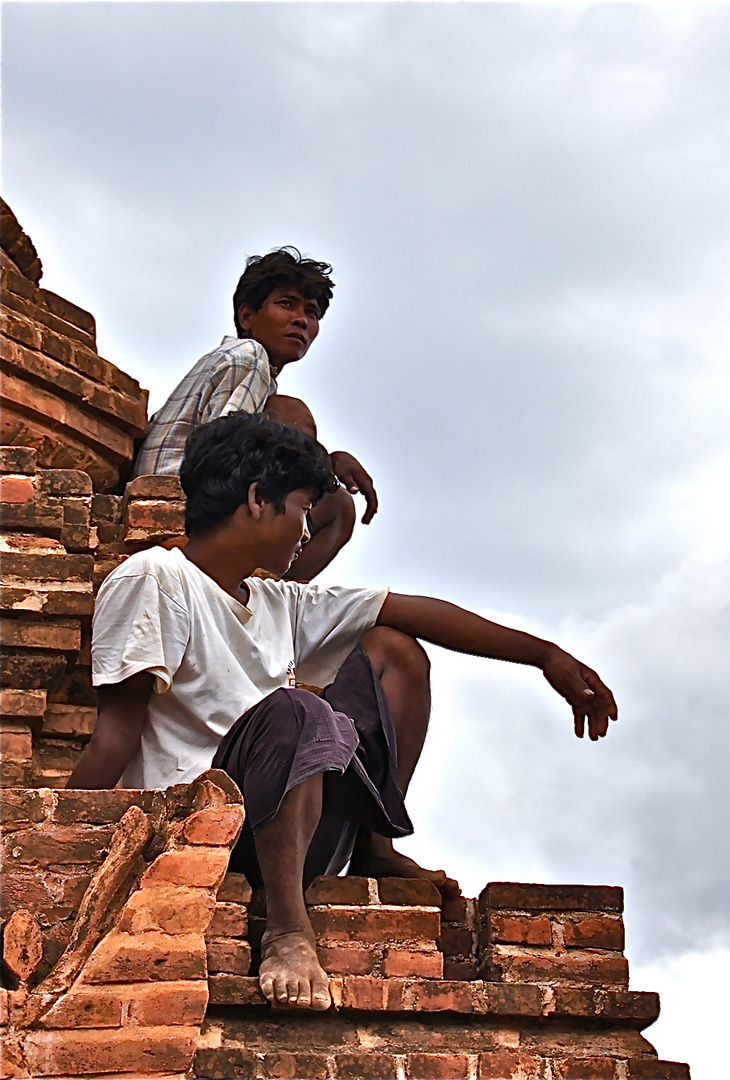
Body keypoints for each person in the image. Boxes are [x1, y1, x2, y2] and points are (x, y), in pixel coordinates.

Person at [68, 412, 617, 1012]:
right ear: (257, 500)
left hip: (295, 824)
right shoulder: (154, 578)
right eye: (302, 509)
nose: (307, 533)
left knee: (394, 650)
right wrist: (61, 852)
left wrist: (545, 656)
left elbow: (411, 610)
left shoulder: (280, 602)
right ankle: (286, 929)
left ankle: (374, 847)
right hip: (199, 831)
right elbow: (115, 737)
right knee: (296, 710)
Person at [132, 248, 373, 581]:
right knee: (338, 505)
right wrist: (325, 466)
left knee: (287, 417)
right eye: (286, 304)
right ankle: (269, 591)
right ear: (247, 316)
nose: (301, 320)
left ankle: (266, 586)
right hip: (182, 502)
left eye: (312, 312)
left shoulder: (248, 371)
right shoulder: (250, 356)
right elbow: (226, 452)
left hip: (180, 493)